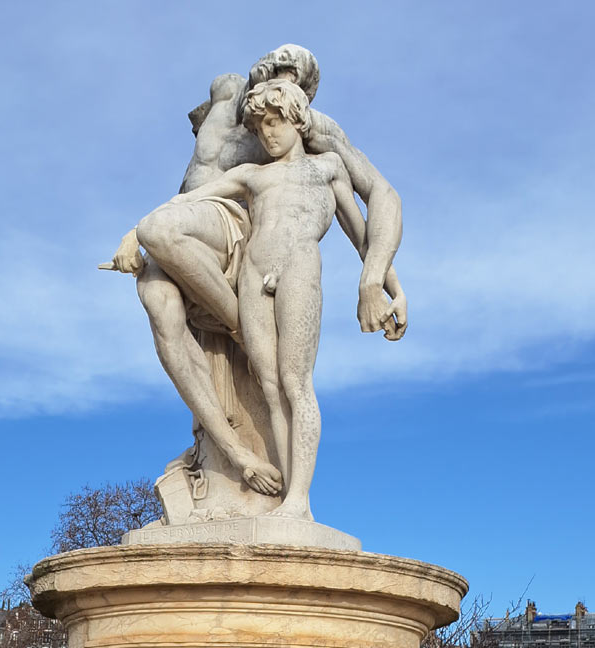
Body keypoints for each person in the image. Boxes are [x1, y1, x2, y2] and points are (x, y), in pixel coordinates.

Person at [106, 45, 406, 497]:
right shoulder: (231, 96)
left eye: (295, 87)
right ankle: (236, 454)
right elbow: (191, 184)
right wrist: (134, 232)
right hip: (197, 222)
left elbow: (381, 197)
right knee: (155, 294)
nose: (283, 88)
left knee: (287, 381)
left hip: (239, 227)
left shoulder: (315, 137)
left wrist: (377, 279)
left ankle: (240, 328)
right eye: (277, 75)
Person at [164, 80, 370, 519]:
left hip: (298, 266)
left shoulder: (327, 167)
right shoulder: (251, 175)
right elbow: (186, 202)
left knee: (297, 384)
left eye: (275, 122)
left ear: (296, 119)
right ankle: (287, 499)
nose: (268, 134)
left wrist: (385, 286)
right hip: (255, 274)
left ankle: (301, 499)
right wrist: (133, 235)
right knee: (272, 389)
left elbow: (361, 235)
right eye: (259, 128)